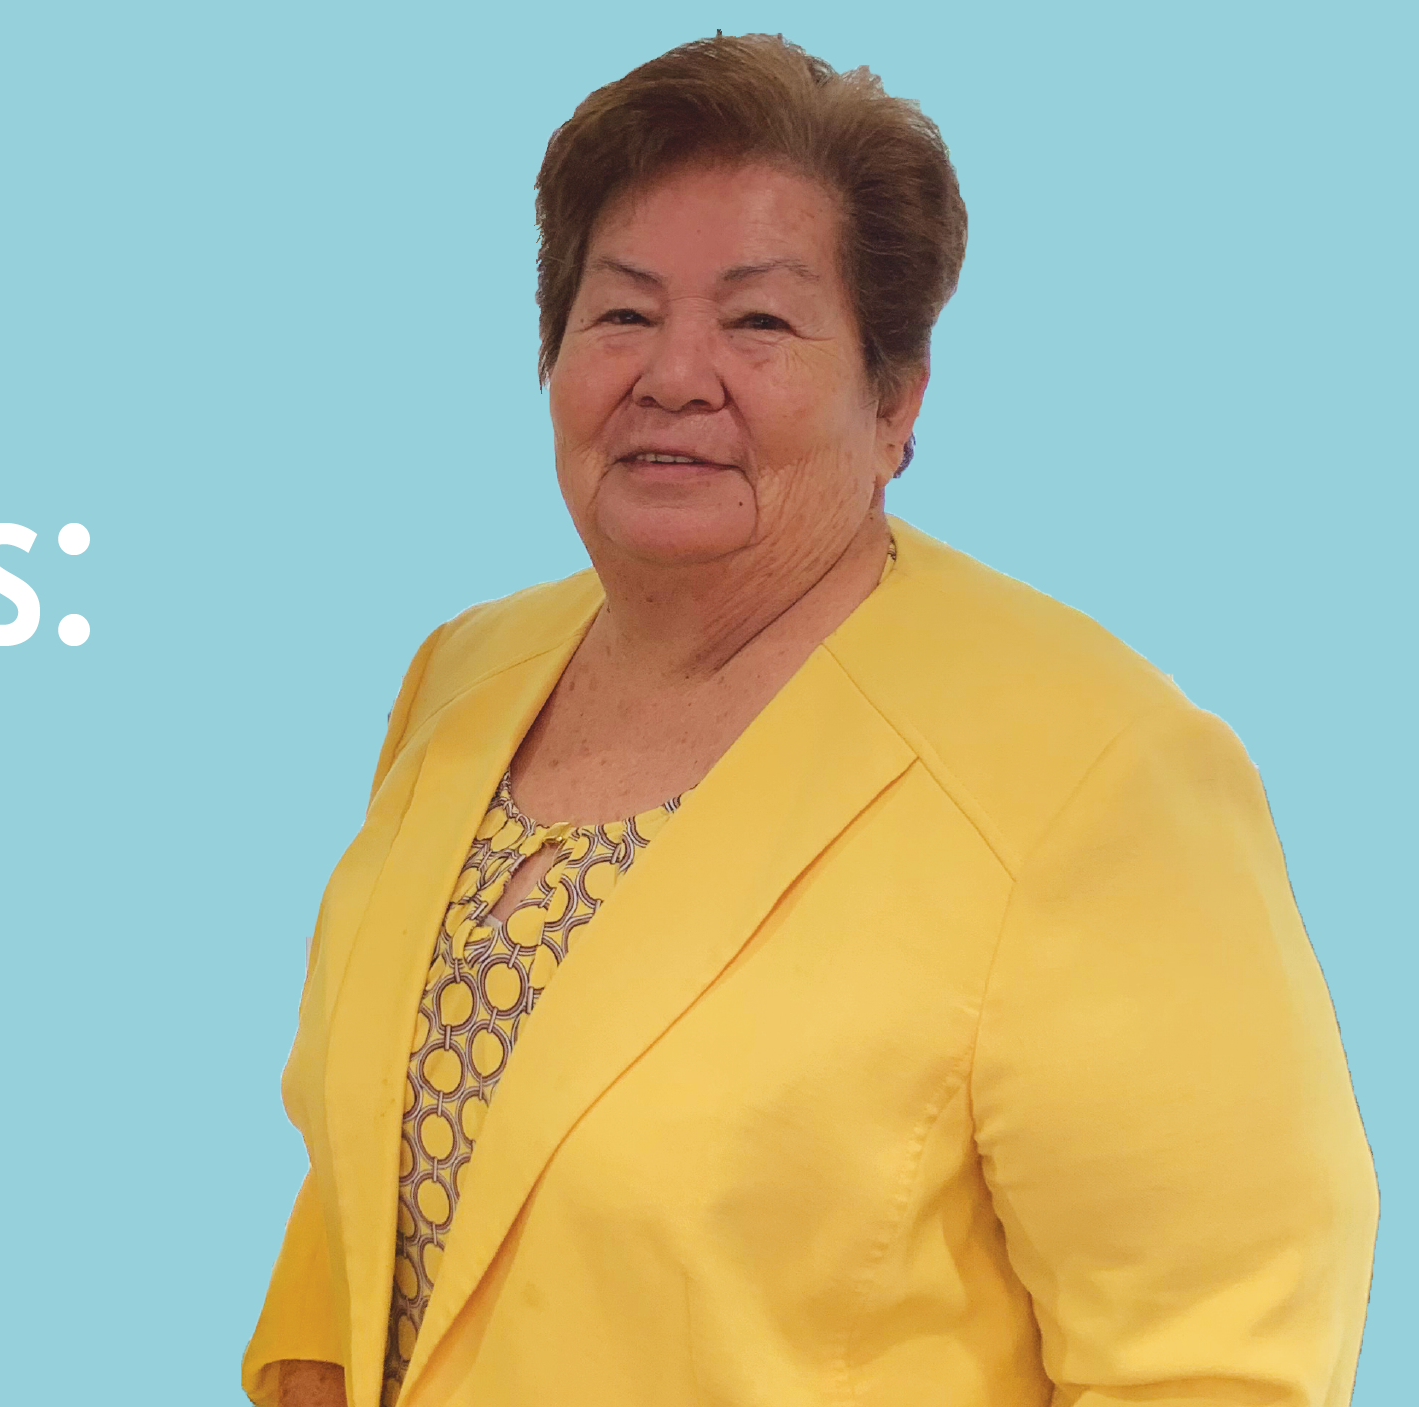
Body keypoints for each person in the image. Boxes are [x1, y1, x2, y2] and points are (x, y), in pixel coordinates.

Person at [241, 33, 1377, 1407]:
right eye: (621, 312)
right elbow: (370, 1190)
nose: (675, 373)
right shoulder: (464, 676)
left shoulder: (1096, 773)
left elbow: (1219, 1357)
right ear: (552, 356)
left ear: (896, 397)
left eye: (761, 321)